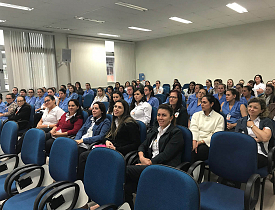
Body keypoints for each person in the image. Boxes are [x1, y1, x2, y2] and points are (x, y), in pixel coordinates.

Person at [124, 104, 184, 209]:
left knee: (123, 170)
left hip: (163, 167)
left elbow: (166, 155)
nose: (160, 118)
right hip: (148, 164)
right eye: (158, 115)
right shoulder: (155, 130)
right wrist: (142, 157)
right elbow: (143, 145)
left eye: (164, 115)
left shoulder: (176, 133)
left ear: (171, 117)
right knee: (126, 187)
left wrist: (148, 163)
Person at [77, 99, 140, 180]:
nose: (116, 109)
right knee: (84, 155)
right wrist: (107, 141)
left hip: (119, 152)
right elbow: (105, 137)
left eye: (119, 107)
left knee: (84, 156)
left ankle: (82, 182)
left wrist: (116, 149)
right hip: (110, 148)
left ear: (125, 110)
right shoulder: (115, 121)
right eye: (115, 106)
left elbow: (136, 144)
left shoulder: (130, 124)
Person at [235, 98, 275, 168]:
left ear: (261, 110)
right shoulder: (241, 121)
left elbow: (265, 138)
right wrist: (257, 138)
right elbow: (237, 139)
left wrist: (252, 125)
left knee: (244, 161)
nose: (251, 109)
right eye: (250, 106)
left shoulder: (266, 121)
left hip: (259, 152)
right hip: (242, 149)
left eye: (255, 108)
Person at [75, 102, 111, 179]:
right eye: (93, 108)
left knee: (78, 153)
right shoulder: (90, 118)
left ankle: (79, 179)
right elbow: (81, 130)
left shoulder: (106, 121)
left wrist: (83, 140)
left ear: (102, 111)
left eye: (96, 109)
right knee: (69, 149)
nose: (93, 110)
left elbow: (101, 137)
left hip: (90, 144)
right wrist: (77, 139)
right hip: (80, 141)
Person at [190, 95, 224, 162]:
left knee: (198, 151)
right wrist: (194, 141)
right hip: (195, 139)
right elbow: (194, 129)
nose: (202, 105)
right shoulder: (196, 115)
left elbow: (216, 135)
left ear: (211, 104)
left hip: (207, 143)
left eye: (205, 103)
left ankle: (193, 171)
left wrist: (200, 142)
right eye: (201, 102)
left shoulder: (219, 118)